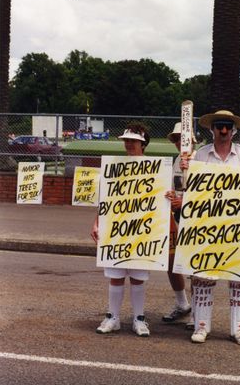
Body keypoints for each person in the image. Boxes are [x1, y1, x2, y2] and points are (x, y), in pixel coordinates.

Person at [180, 110, 240, 345]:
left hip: (237, 228)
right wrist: (185, 169)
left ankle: (239, 329)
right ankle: (201, 326)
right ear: (212, 129)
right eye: (219, 126)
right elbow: (190, 191)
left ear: (233, 130)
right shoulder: (200, 154)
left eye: (227, 127)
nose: (223, 131)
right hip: (207, 227)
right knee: (203, 275)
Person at [91, 123, 151, 337]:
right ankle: (113, 317)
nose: (128, 144)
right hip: (117, 229)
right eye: (126, 140)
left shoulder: (156, 170)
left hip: (142, 231)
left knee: (138, 276)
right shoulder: (114, 168)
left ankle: (139, 318)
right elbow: (105, 200)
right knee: (115, 274)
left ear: (143, 143)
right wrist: (97, 222)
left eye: (133, 141)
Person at [163, 122, 193, 324]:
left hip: (196, 219)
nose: (178, 143)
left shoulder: (201, 159)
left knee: (193, 267)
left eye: (182, 139)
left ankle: (198, 312)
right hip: (177, 218)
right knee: (171, 262)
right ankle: (183, 304)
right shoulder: (176, 161)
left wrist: (185, 201)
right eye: (176, 139)